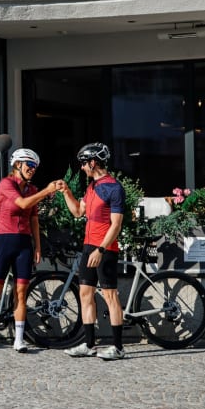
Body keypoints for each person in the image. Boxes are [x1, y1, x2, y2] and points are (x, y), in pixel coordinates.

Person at [0, 148, 62, 353]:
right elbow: (22, 203)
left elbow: (34, 218)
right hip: (4, 240)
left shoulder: (32, 189)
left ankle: (19, 339)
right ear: (17, 164)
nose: (33, 170)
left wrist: (37, 245)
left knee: (21, 292)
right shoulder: (6, 184)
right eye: (30, 165)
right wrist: (47, 190)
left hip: (24, 243)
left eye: (35, 167)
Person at [58, 142, 127, 360]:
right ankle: (89, 345)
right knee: (85, 294)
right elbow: (78, 212)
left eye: (83, 164)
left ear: (93, 162)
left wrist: (100, 249)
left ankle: (118, 348)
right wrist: (66, 192)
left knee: (110, 296)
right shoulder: (91, 187)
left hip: (105, 249)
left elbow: (116, 224)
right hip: (89, 247)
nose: (81, 168)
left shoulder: (114, 188)